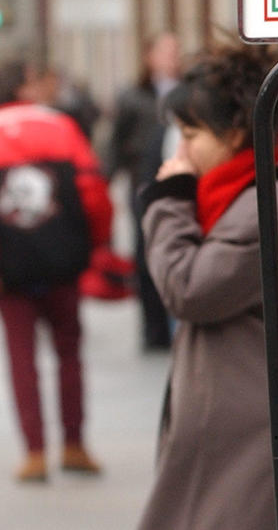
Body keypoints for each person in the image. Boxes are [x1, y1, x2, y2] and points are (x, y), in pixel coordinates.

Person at [135, 37, 278, 529]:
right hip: (241, 428)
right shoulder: (242, 197)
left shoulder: (268, 205)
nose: (182, 151)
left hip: (261, 435)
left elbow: (189, 289)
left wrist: (168, 202)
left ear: (233, 135)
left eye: (192, 134)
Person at [0, 59, 113, 482]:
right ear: (25, 85)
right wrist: (93, 244)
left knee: (21, 357)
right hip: (62, 261)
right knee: (70, 352)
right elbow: (93, 191)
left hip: (9, 268)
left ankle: (35, 451)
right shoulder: (61, 127)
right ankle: (74, 443)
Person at [109, 31, 182, 351]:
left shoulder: (187, 93)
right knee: (145, 253)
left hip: (177, 179)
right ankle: (153, 329)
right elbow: (115, 142)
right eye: (165, 51)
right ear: (149, 56)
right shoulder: (133, 96)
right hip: (143, 182)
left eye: (175, 51)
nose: (172, 58)